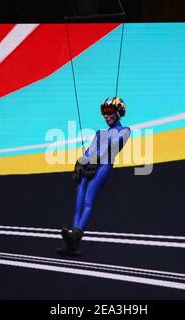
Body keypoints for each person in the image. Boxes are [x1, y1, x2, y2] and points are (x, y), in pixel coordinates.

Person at [57, 97, 131, 257]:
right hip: (89, 165)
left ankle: (76, 235)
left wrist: (95, 159)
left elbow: (113, 147)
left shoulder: (125, 131)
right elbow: (88, 152)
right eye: (103, 112)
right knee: (78, 203)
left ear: (118, 113)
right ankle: (72, 241)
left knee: (88, 201)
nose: (105, 116)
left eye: (109, 112)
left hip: (103, 166)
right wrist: (79, 163)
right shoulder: (99, 133)